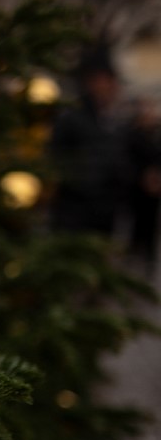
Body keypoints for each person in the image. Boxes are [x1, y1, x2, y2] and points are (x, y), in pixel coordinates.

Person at [48, 47, 129, 236]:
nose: (113, 88)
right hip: (76, 216)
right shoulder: (71, 118)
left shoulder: (111, 120)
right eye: (109, 82)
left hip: (104, 214)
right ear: (94, 82)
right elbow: (58, 160)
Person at [124, 97, 161, 275]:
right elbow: (125, 161)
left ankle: (148, 260)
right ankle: (133, 260)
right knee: (135, 226)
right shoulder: (131, 135)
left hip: (154, 192)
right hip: (135, 190)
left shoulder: (156, 135)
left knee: (151, 226)